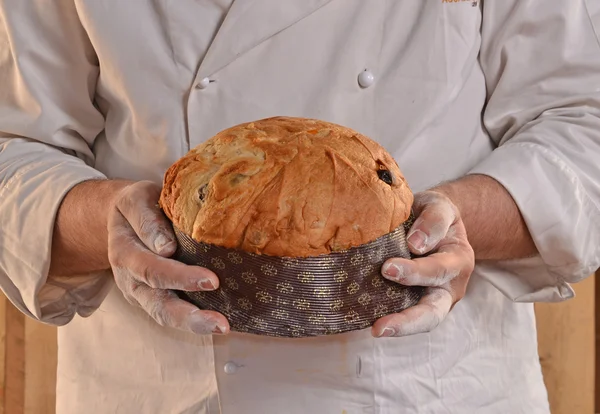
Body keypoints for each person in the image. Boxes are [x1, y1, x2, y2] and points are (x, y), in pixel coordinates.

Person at [0, 1, 599, 413]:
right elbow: (14, 148)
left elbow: (583, 124)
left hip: (426, 387)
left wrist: (453, 222)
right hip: (158, 386)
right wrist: (104, 219)